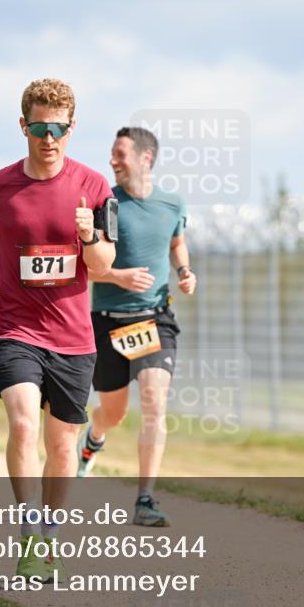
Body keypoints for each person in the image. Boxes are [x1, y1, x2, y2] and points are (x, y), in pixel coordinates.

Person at [0, 78, 115, 582]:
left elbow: (106, 260)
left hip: (73, 335)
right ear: (24, 126)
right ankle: (28, 535)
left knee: (63, 445)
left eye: (60, 129)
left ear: (72, 128)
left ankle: (51, 537)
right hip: (13, 326)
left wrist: (90, 236)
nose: (50, 138)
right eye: (41, 128)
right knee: (24, 423)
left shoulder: (93, 186)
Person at [77, 127, 196, 527]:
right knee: (113, 412)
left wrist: (184, 270)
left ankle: (145, 499)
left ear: (146, 158)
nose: (112, 161)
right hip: (108, 322)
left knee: (153, 402)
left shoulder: (172, 202)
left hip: (154, 318)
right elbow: (88, 267)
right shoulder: (106, 203)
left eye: (120, 154)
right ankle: (95, 437)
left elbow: (176, 241)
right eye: (112, 154)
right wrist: (117, 277)